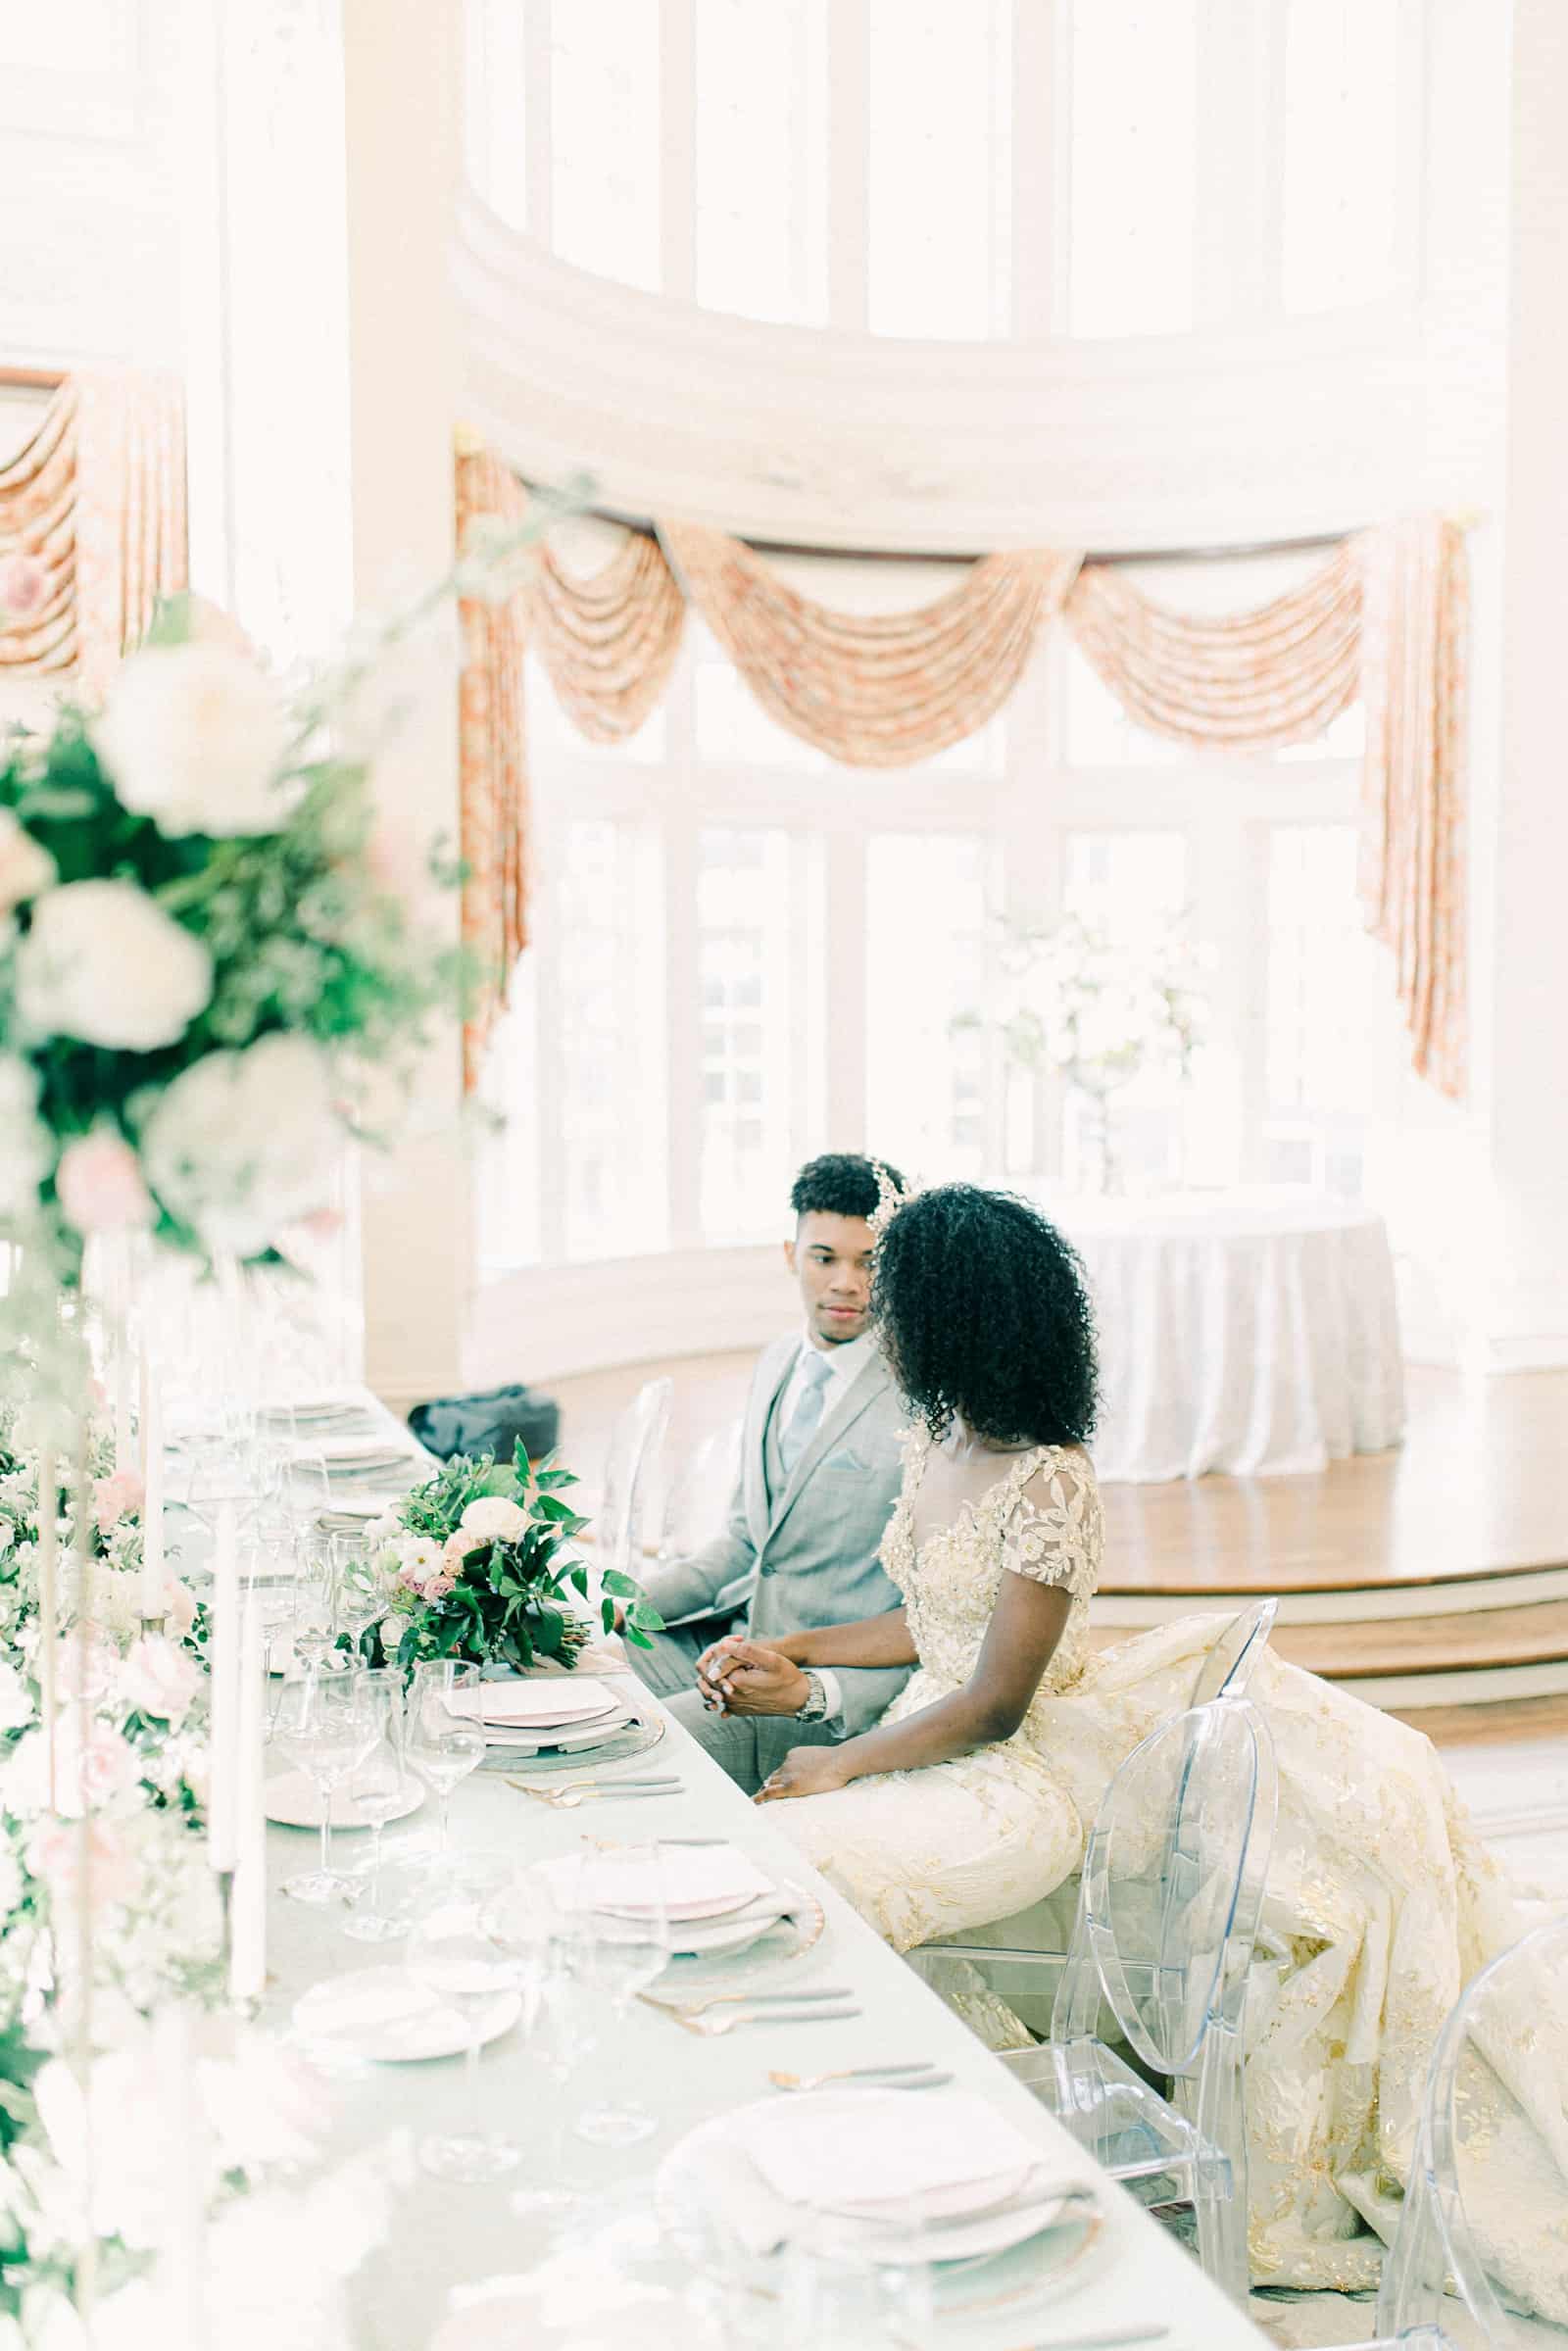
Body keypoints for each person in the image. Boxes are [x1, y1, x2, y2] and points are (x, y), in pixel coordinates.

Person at [713, 1183, 1553, 2308]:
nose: (879, 1317)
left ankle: (932, 2171)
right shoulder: (938, 1437)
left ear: (960, 1316)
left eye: (900, 1300)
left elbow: (995, 1700)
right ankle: (851, 2158)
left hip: (1012, 1779)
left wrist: (840, 1759)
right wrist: (798, 1646)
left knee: (815, 1872)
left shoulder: (1051, 1478)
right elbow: (929, 1615)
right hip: (936, 1734)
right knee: (788, 1866)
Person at [623, 1152, 911, 1790]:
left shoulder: (919, 1396)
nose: (846, 1282)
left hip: (810, 1703)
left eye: (870, 1261)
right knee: (568, 1664)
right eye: (825, 1257)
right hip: (736, 1651)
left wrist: (813, 1687)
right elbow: (746, 1540)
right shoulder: (778, 1360)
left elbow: (932, 1615)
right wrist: (627, 1602)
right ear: (790, 1253)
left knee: (622, 1743)